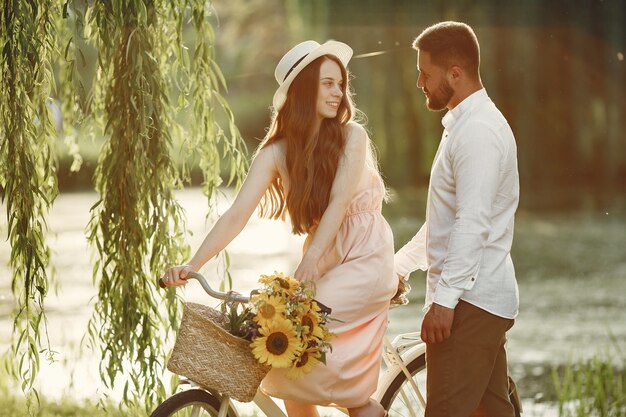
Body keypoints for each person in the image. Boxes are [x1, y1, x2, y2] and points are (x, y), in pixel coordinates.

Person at [161, 40, 397, 417]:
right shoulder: (275, 153)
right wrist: (194, 264)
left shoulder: (353, 136)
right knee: (285, 359)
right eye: (328, 84)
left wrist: (311, 261)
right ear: (304, 89)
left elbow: (339, 202)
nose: (339, 92)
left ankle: (361, 405)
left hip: (365, 258)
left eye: (341, 84)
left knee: (292, 345)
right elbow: (236, 214)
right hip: (321, 261)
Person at [394, 22, 520, 417]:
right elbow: (444, 223)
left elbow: (472, 223)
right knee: (494, 412)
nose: (419, 83)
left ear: (455, 73)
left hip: (469, 305)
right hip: (480, 301)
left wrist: (444, 303)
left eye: (425, 74)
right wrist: (399, 266)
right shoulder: (464, 126)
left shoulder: (478, 132)